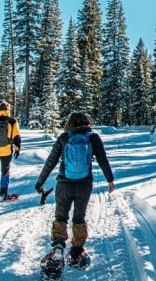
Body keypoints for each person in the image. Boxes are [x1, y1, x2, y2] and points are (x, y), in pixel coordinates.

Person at [35, 112, 115, 268]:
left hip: (64, 183)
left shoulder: (64, 137)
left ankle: (58, 247)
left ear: (69, 123)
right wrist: (110, 180)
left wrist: (40, 182)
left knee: (61, 215)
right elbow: (102, 159)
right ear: (87, 123)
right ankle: (77, 251)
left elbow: (51, 161)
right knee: (79, 218)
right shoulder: (93, 137)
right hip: (84, 185)